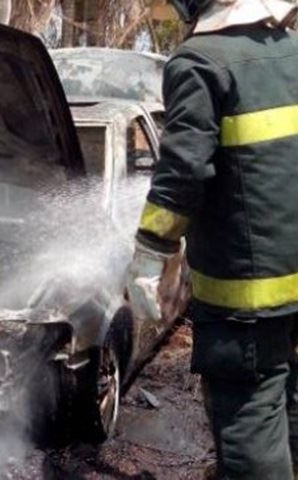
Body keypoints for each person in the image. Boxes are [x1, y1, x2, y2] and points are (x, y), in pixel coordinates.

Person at [127, 0, 298, 477]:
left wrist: (151, 253)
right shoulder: (291, 53)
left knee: (250, 420)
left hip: (245, 299)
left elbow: (183, 171)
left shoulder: (199, 63)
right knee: (290, 401)